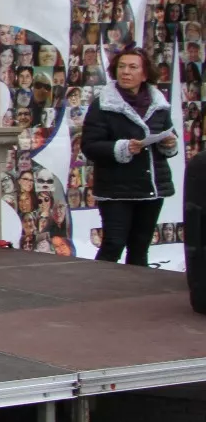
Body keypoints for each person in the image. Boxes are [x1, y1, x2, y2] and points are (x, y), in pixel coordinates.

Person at [80, 46, 176, 266]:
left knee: (140, 247)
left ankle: (137, 296)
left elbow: (169, 134)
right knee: (113, 243)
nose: (126, 72)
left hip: (150, 188)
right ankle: (99, 292)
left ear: (144, 74)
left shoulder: (159, 104)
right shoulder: (103, 105)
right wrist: (121, 148)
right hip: (116, 189)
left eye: (133, 67)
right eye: (121, 67)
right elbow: (90, 146)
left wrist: (170, 143)